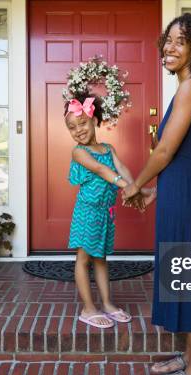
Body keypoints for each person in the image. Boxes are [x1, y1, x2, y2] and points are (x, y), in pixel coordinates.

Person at [122, 13, 191, 375]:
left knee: (189, 280)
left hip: (185, 188)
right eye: (167, 40)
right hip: (182, 187)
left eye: (180, 41)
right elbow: (180, 154)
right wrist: (158, 191)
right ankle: (190, 357)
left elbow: (166, 149)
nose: (169, 47)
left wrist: (136, 184)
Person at [66, 94, 155, 328]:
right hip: (87, 211)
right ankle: (88, 308)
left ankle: (106, 303)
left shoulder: (107, 147)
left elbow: (121, 168)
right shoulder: (79, 152)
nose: (78, 131)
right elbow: (101, 170)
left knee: (101, 258)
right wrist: (130, 188)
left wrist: (134, 186)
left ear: (95, 120)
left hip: (105, 212)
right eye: (72, 128)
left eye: (82, 123)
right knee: (83, 258)